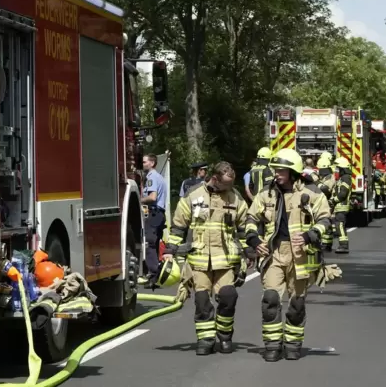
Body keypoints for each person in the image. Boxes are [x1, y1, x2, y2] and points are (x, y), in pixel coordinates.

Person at [245, 148, 332, 362]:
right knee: (270, 299)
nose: (276, 174)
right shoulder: (266, 193)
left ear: (293, 172)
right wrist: (255, 241)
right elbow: (250, 219)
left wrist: (310, 235)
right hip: (273, 253)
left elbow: (326, 220)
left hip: (300, 255)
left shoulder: (311, 193)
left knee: (297, 303)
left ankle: (293, 344)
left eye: (281, 170)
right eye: (275, 170)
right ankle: (272, 345)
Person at [164, 161, 249, 355]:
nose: (229, 189)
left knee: (228, 297)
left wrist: (249, 252)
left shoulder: (236, 199)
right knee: (202, 302)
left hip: (226, 259)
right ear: (214, 178)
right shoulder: (193, 195)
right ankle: (205, 340)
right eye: (225, 185)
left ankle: (225, 336)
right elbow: (179, 226)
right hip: (199, 260)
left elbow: (244, 228)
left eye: (231, 185)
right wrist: (170, 250)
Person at [139, 153, 168, 285]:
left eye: (144, 162)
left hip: (154, 213)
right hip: (159, 214)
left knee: (149, 244)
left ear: (152, 163)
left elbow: (152, 197)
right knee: (155, 244)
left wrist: (138, 200)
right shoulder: (159, 177)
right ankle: (156, 276)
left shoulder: (152, 177)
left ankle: (153, 274)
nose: (143, 164)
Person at [331, 156, 352, 254]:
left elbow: (343, 193)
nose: (337, 170)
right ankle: (342, 245)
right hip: (339, 207)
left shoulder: (346, 178)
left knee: (340, 226)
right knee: (338, 225)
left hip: (342, 206)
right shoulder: (342, 178)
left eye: (338, 168)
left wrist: (333, 200)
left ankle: (344, 246)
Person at [315, 151, 336, 251]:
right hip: (324, 202)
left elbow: (326, 189)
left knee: (326, 223)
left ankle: (327, 244)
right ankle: (325, 243)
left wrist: (315, 182)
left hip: (328, 202)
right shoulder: (325, 175)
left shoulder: (330, 177)